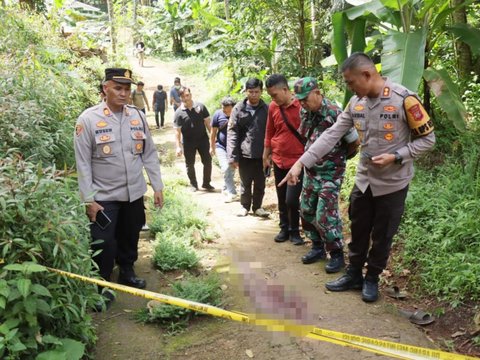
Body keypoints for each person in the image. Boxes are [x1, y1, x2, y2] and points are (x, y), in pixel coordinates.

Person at [280, 53, 435, 302]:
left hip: (393, 184)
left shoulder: (405, 100)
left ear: (367, 74)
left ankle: (372, 278)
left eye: (351, 82)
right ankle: (354, 274)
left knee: (382, 235)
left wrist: (397, 156)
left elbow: (428, 139)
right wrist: (300, 163)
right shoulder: (356, 104)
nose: (349, 88)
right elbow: (330, 136)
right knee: (359, 228)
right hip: (364, 181)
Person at [74, 68, 164, 308]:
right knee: (103, 242)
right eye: (118, 88)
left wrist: (157, 186)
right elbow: (82, 164)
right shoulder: (88, 120)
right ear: (105, 88)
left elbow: (149, 154)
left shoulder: (137, 116)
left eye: (127, 89)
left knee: (130, 234)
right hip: (104, 196)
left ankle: (127, 271)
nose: (124, 94)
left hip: (133, 192)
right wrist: (89, 199)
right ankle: (101, 285)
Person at [293, 77, 358, 272]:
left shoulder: (335, 113)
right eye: (300, 100)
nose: (303, 103)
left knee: (325, 214)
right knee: (306, 209)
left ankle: (336, 252)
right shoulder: (304, 111)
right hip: (311, 170)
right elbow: (306, 136)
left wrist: (338, 160)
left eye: (306, 98)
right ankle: (317, 246)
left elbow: (354, 143)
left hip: (331, 172)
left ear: (318, 93)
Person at [263, 74, 304, 245]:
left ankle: (295, 230)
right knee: (281, 196)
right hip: (278, 158)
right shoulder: (273, 106)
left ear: (285, 89)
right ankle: (284, 227)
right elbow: (269, 131)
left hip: (297, 161)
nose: (272, 99)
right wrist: (265, 155)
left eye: (274, 95)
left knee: (292, 199)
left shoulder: (301, 106)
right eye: (271, 96)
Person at [227, 78, 270, 217]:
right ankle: (244, 206)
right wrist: (232, 156)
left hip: (262, 154)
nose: (253, 95)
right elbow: (232, 133)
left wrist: (270, 154)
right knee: (245, 182)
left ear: (261, 92)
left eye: (256, 92)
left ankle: (257, 207)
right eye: (250, 91)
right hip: (244, 152)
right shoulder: (238, 109)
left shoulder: (267, 109)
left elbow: (272, 132)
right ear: (245, 91)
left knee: (260, 182)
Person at [174, 87, 214, 192]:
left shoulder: (201, 107)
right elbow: (177, 132)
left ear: (191, 95)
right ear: (180, 98)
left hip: (203, 140)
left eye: (187, 95)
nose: (186, 98)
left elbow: (208, 125)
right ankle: (193, 184)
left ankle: (206, 183)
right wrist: (178, 147)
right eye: (183, 96)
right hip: (188, 142)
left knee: (208, 162)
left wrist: (213, 140)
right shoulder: (179, 112)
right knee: (190, 164)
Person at [210, 96, 238, 203]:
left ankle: (226, 186)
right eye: (223, 107)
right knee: (226, 167)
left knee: (231, 169)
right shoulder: (218, 114)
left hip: (234, 148)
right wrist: (211, 147)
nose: (224, 109)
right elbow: (213, 133)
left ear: (232, 107)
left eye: (227, 107)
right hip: (221, 146)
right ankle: (232, 192)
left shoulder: (238, 115)